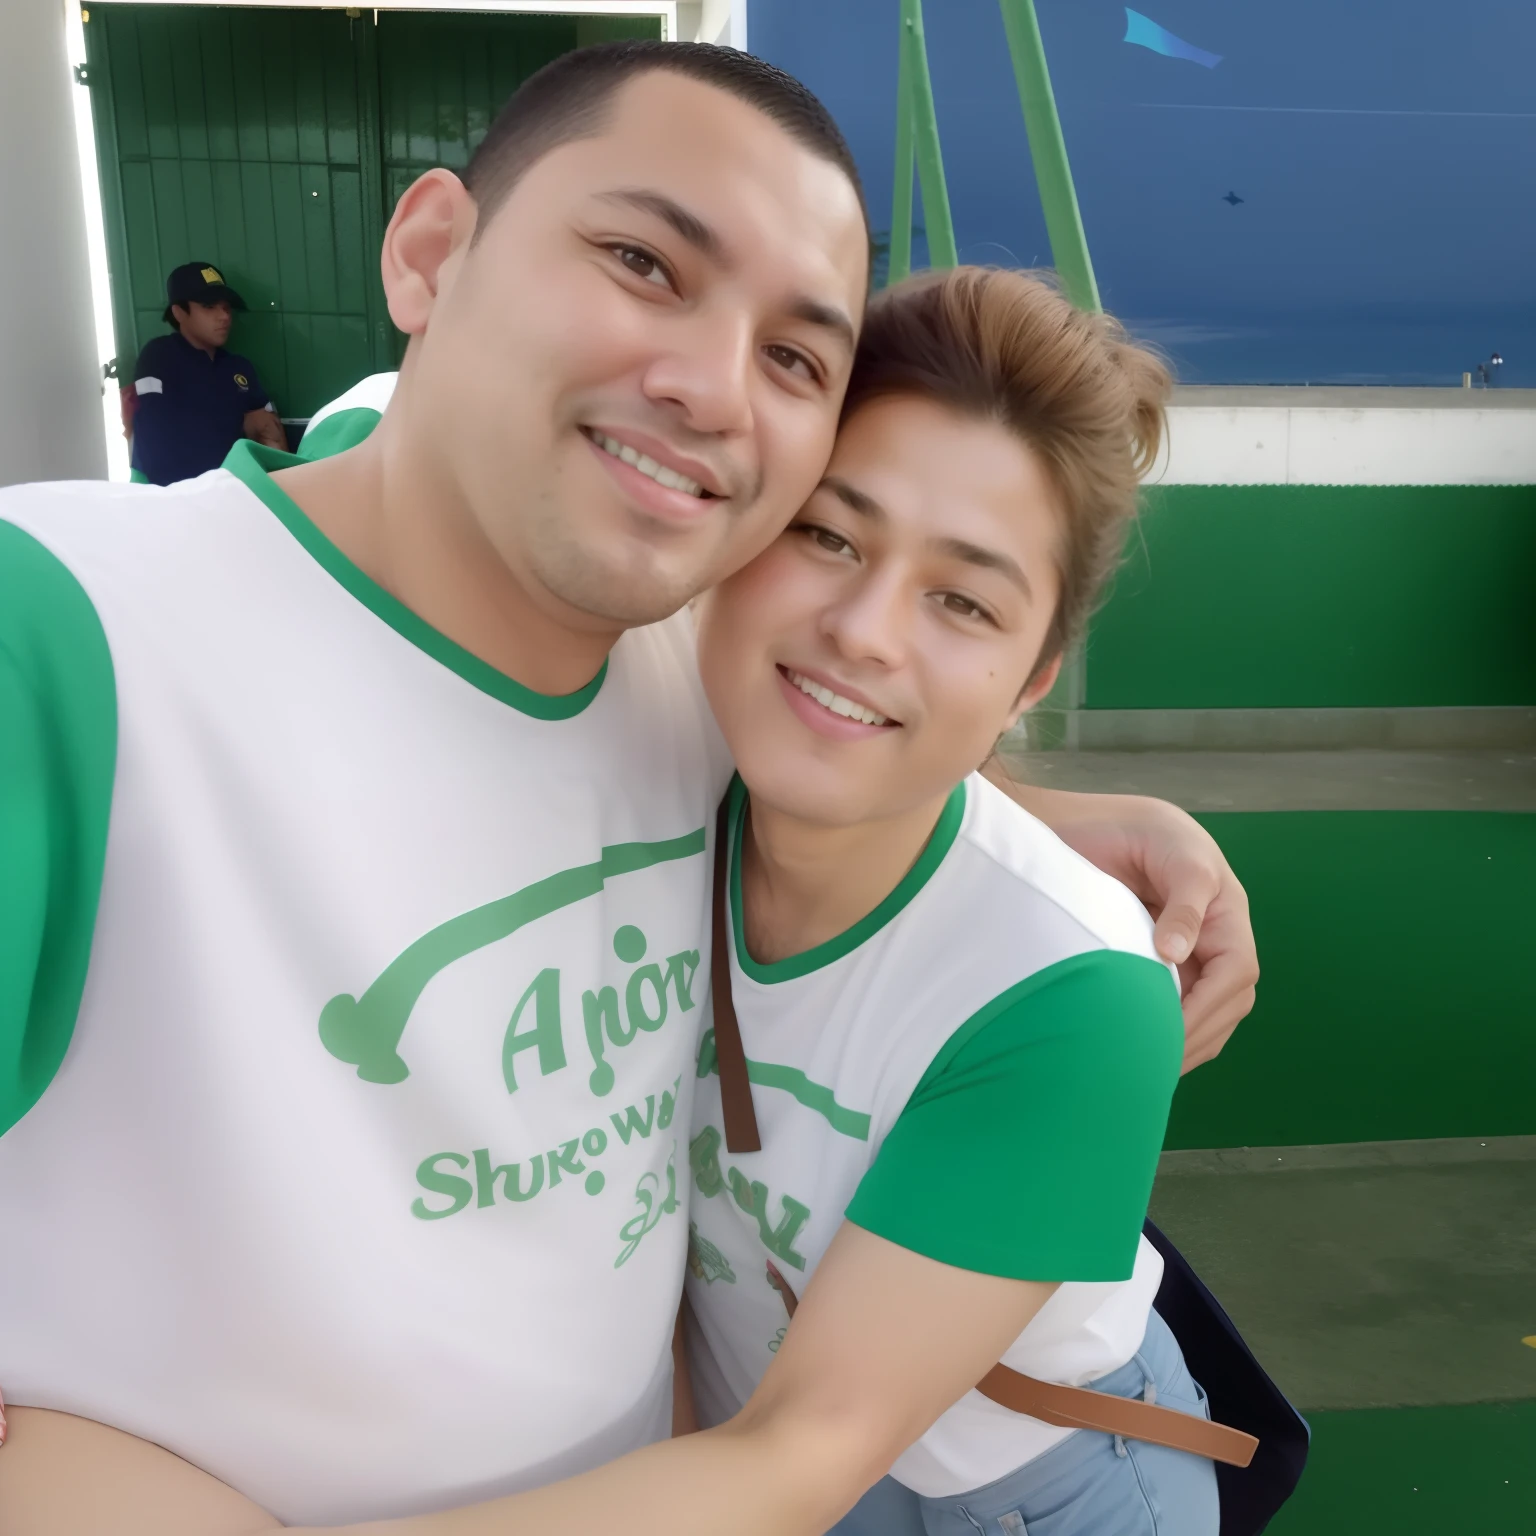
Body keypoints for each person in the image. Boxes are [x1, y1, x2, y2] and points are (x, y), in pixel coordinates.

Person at [0, 42, 1255, 1534]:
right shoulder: (63, 635)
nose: (709, 388)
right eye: (644, 261)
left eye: (795, 355)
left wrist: (1055, 839)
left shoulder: (679, 657)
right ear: (430, 252)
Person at [128, 261, 287, 484]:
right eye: (209, 306)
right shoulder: (159, 356)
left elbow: (269, 434)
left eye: (226, 307)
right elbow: (154, 435)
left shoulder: (238, 367)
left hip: (229, 490)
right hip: (171, 493)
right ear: (179, 312)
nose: (224, 316)